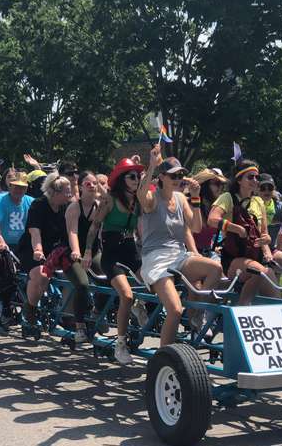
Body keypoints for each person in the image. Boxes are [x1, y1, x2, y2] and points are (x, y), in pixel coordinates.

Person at [139, 147, 223, 346]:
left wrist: (195, 197)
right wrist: (151, 165)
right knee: (175, 310)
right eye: (174, 175)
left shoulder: (180, 198)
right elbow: (142, 194)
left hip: (179, 255)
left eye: (181, 175)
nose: (178, 179)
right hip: (156, 258)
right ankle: (164, 357)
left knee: (215, 269)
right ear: (162, 177)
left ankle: (196, 314)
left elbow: (195, 226)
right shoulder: (153, 197)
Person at [85, 156, 145, 365]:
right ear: (122, 179)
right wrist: (87, 252)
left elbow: (140, 229)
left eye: (138, 176)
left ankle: (140, 305)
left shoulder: (138, 200)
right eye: (132, 176)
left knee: (153, 284)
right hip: (111, 252)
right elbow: (94, 227)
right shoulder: (110, 199)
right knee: (126, 296)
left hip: (130, 249)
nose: (136, 179)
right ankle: (121, 344)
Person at [207, 159, 280, 305]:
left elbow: (264, 234)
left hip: (255, 257)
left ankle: (280, 317)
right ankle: (241, 311)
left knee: (269, 276)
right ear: (239, 180)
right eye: (250, 177)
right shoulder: (227, 198)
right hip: (233, 259)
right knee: (260, 272)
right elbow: (212, 219)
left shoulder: (259, 202)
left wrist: (266, 241)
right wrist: (237, 228)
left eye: (256, 177)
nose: (255, 180)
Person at [16, 172, 73, 325]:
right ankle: (31, 307)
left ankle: (66, 313)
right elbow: (35, 231)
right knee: (41, 275)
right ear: (55, 192)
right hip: (32, 249)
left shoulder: (66, 207)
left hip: (56, 250)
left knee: (72, 276)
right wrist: (38, 250)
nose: (70, 193)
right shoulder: (39, 204)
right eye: (67, 191)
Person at [65, 171, 102, 346]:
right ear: (80, 186)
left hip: (94, 251)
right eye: (88, 184)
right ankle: (79, 326)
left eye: (95, 183)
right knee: (82, 284)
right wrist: (76, 251)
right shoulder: (74, 207)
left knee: (111, 278)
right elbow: (73, 231)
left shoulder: (100, 206)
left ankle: (96, 312)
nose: (92, 186)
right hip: (73, 252)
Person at [0, 171, 33, 254]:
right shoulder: (0, 200)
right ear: (10, 186)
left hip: (22, 244)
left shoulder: (31, 202)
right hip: (0, 243)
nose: (19, 190)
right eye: (16, 186)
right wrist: (0, 241)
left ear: (26, 188)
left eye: (22, 187)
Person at [190, 167, 227, 255]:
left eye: (222, 184)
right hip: (190, 254)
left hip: (208, 253)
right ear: (204, 185)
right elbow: (188, 235)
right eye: (217, 183)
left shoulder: (215, 206)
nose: (221, 187)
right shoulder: (190, 204)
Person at [258, 173, 282, 267]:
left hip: (272, 250)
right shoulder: (251, 205)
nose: (267, 191)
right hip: (254, 251)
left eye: (270, 188)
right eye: (262, 188)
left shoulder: (279, 207)